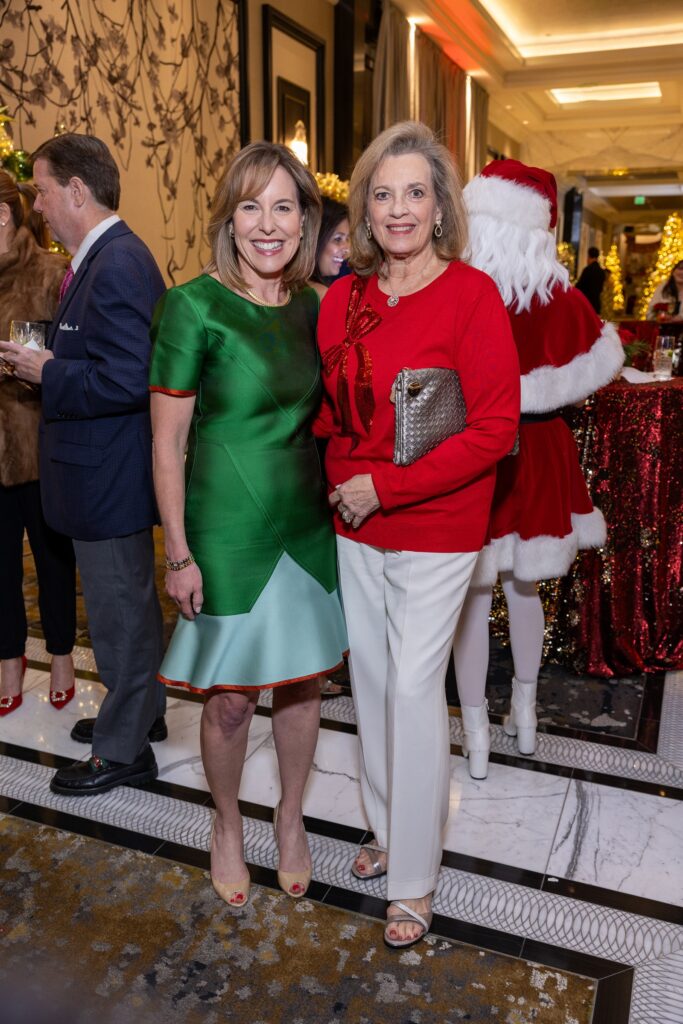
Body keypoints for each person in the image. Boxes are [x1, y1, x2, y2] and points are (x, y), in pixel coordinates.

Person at [316, 121, 519, 948]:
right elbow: (332, 410)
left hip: (435, 524)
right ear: (365, 208)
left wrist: (385, 485)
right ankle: (388, 826)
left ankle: (415, 878)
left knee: (409, 688)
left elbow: (495, 430)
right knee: (369, 683)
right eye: (382, 192)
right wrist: (338, 478)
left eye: (415, 192)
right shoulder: (343, 297)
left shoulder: (472, 296)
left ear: (440, 208)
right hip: (353, 521)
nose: (397, 208)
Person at [149, 141, 347, 909]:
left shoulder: (318, 307)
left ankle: (290, 818)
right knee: (230, 697)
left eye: (283, 207)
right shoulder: (190, 305)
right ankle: (226, 823)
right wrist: (177, 552)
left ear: (304, 221)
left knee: (302, 685)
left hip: (306, 522)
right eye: (250, 206)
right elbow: (166, 442)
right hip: (223, 529)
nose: (268, 224)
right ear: (229, 219)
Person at [0, 134, 167, 793]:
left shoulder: (119, 262)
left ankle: (122, 748)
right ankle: (140, 712)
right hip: (101, 473)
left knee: (121, 608)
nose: (36, 204)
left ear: (76, 190)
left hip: (108, 476)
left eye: (41, 190)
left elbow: (131, 378)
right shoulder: (102, 258)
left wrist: (50, 371)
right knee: (125, 606)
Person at [452, 159, 625, 770]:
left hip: (475, 450)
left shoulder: (459, 287)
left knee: (472, 595)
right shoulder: (562, 297)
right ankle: (522, 713)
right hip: (543, 449)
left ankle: (474, 733)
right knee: (526, 587)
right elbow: (599, 366)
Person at [0, 169, 76, 716]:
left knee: (53, 561)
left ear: (3, 215)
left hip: (38, 445)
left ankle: (63, 654)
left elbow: (58, 362)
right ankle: (8, 659)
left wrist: (22, 364)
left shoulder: (51, 274)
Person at [310, 197, 350, 298]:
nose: (347, 249)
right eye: (337, 239)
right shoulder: (322, 295)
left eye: (347, 239)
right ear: (315, 239)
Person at [575, 245, 605, 314]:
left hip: (587, 303)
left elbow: (580, 286)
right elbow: (601, 288)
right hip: (596, 304)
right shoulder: (601, 271)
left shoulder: (588, 270)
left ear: (589, 256)